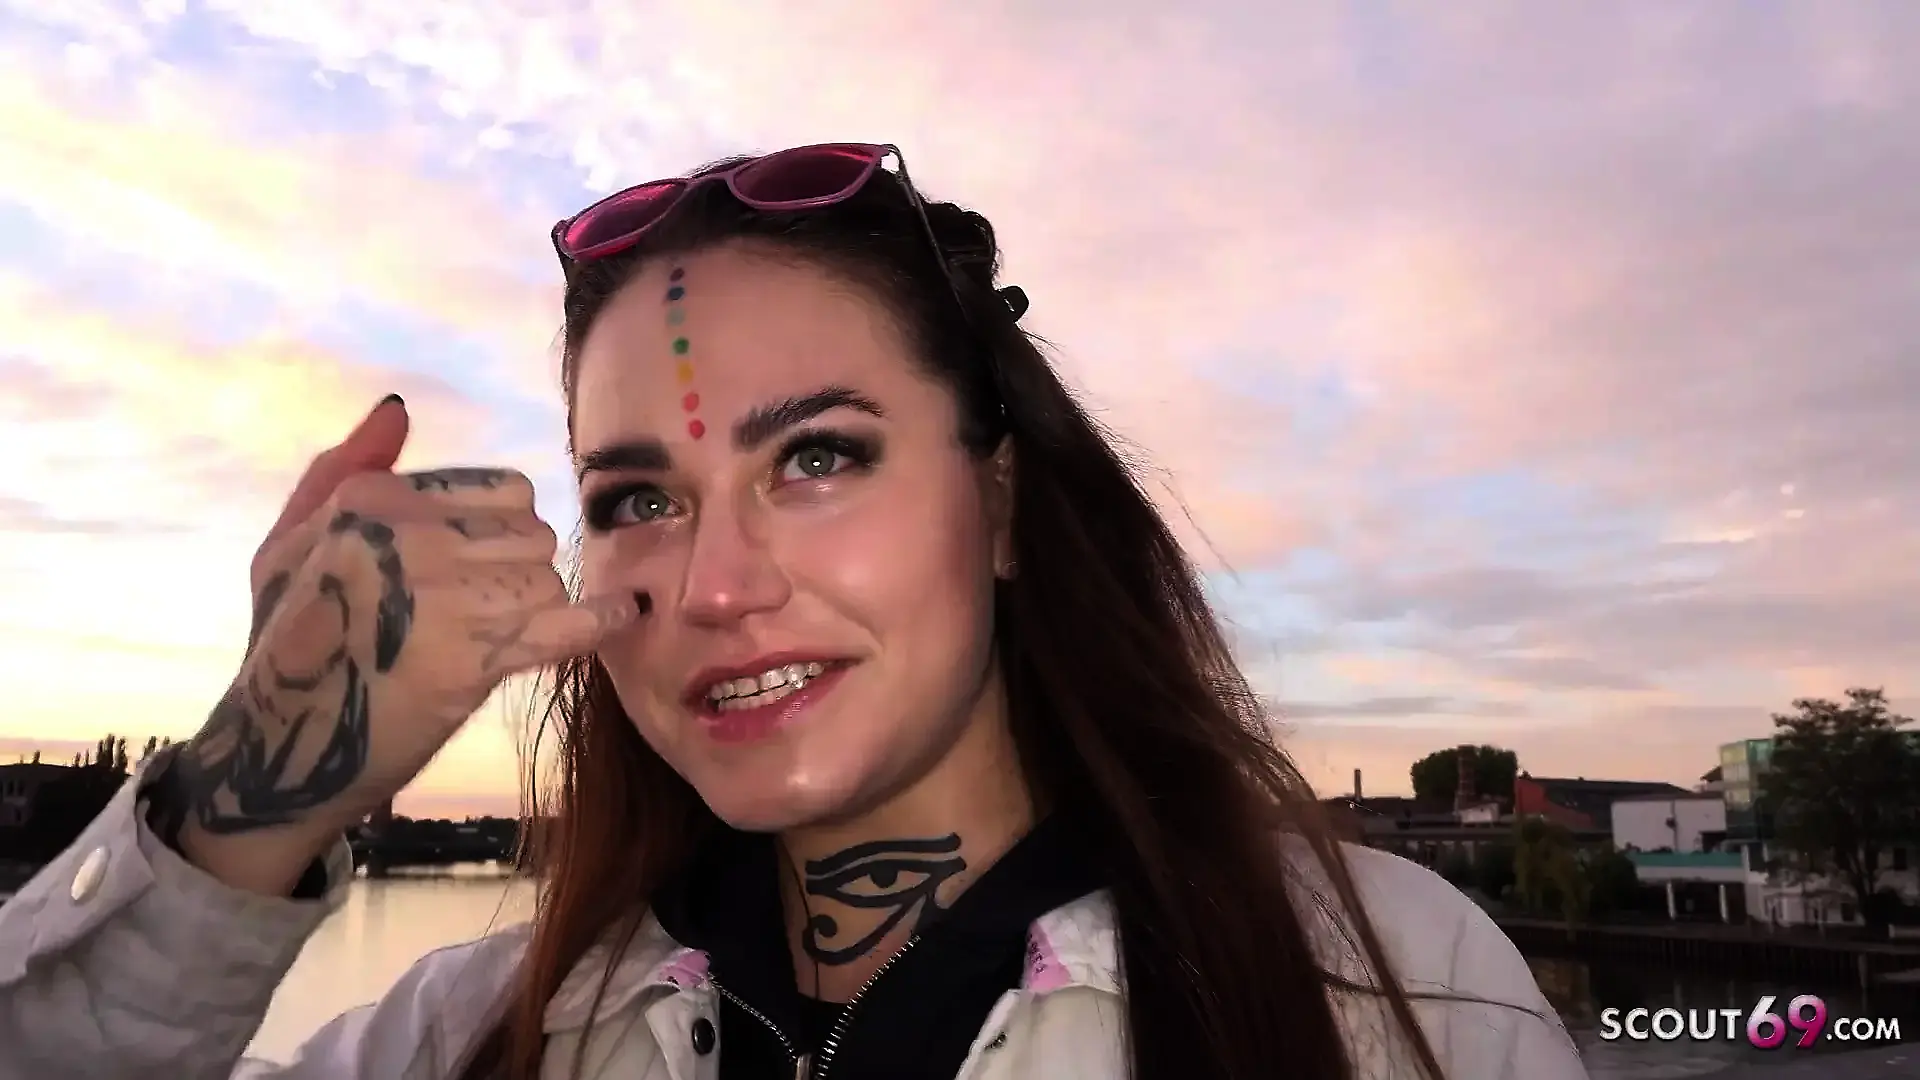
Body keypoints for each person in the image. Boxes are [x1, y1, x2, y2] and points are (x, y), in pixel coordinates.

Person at [0, 143, 1587, 1080]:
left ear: (1002, 503)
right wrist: (253, 790)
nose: (713, 585)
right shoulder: (487, 1035)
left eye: (818, 458)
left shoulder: (1382, 995)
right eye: (639, 500)